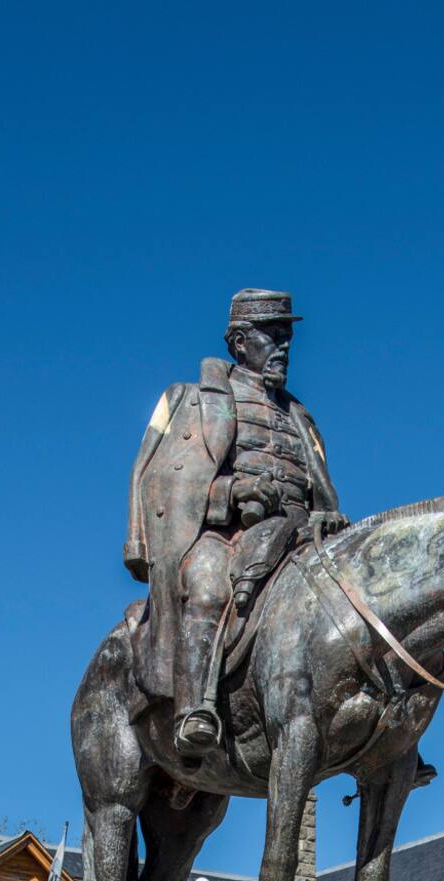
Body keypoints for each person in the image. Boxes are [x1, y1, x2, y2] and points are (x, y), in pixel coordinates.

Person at [124, 288, 347, 756]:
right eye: (273, 335)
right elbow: (164, 482)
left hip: (298, 535)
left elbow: (318, 485)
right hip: (223, 533)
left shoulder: (300, 416)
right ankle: (194, 709)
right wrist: (231, 491)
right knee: (206, 586)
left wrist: (327, 515)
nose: (284, 346)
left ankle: (386, 738)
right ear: (241, 341)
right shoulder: (192, 400)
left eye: (287, 336)